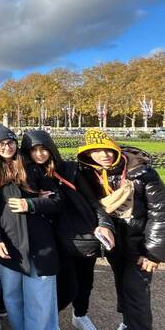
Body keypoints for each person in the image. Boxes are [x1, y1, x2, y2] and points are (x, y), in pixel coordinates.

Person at [21, 129, 114, 330]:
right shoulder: (30, 173)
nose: (39, 154)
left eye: (43, 149)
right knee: (68, 287)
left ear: (51, 148)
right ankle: (46, 318)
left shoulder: (70, 169)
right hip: (57, 238)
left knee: (86, 281)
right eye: (34, 150)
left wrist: (104, 224)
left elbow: (93, 202)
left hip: (82, 233)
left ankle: (80, 314)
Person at [76, 129, 165, 330]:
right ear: (88, 154)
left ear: (115, 148)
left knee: (137, 295)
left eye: (107, 149)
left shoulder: (142, 173)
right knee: (123, 286)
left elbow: (160, 214)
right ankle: (127, 322)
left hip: (139, 245)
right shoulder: (91, 174)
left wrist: (152, 254)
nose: (103, 155)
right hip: (115, 245)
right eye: (96, 151)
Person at [0, 123, 61, 330]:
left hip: (38, 242)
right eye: (0, 144)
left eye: (10, 142)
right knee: (12, 296)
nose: (6, 147)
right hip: (9, 242)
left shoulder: (33, 167)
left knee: (38, 297)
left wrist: (31, 203)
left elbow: (57, 201)